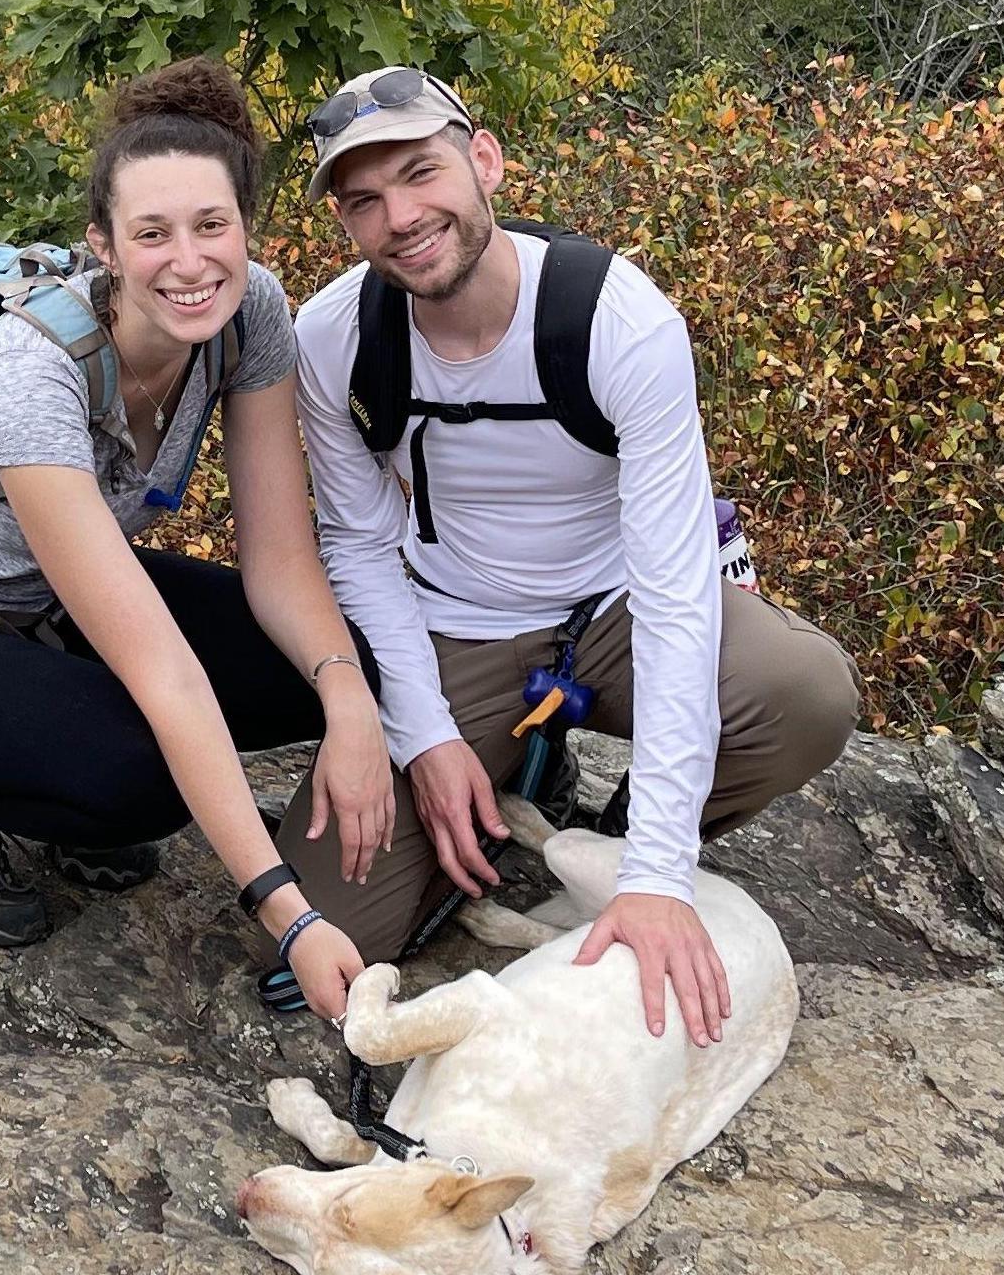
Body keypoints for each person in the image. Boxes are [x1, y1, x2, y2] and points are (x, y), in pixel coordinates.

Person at [0, 60, 392, 1022]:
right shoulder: (31, 370)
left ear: (247, 227)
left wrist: (349, 702)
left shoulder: (253, 318)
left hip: (44, 603)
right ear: (103, 246)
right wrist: (287, 912)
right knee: (146, 781)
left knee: (326, 659)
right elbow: (162, 671)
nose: (189, 262)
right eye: (151, 234)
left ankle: (48, 758)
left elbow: (280, 558)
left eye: (212, 226)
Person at [284, 65, 859, 1046]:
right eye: (365, 201)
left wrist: (656, 878)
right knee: (327, 928)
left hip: (614, 615)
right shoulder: (334, 336)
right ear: (344, 222)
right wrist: (423, 737)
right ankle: (508, 775)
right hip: (454, 621)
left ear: (485, 160)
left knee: (803, 692)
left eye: (422, 174)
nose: (403, 217)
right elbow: (358, 543)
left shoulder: (616, 321)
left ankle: (622, 831)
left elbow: (678, 595)